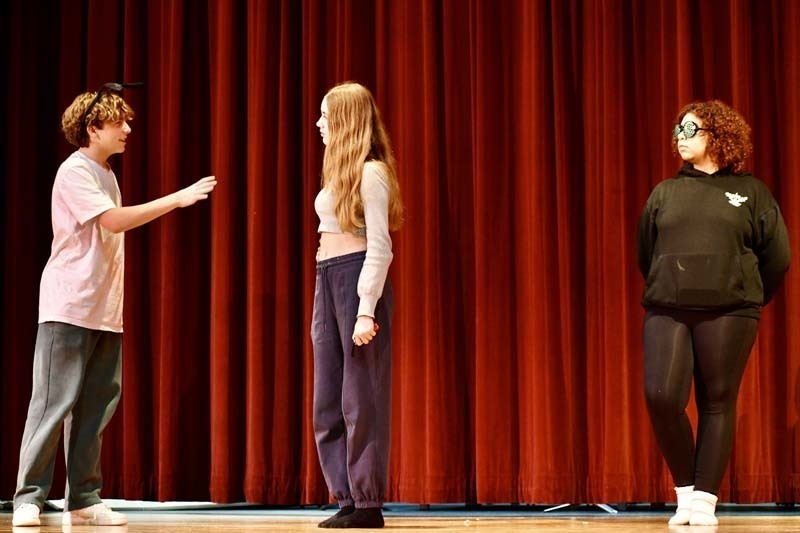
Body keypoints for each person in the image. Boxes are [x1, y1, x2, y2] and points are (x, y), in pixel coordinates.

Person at [11, 85, 217, 527]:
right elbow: (113, 222)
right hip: (68, 305)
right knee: (54, 403)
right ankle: (30, 494)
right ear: (93, 128)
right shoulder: (75, 172)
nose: (127, 130)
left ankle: (84, 497)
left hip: (104, 308)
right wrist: (175, 199)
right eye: (118, 123)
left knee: (95, 406)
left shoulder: (106, 174)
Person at [637, 100, 790, 526]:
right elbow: (646, 253)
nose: (680, 139)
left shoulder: (751, 191)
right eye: (678, 131)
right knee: (662, 396)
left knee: (716, 402)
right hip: (668, 306)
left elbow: (776, 257)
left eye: (692, 130)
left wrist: (746, 295)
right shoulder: (664, 193)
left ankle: (704, 501)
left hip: (731, 311)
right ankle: (687, 490)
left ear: (719, 137)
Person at [311, 82, 403, 529]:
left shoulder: (372, 174)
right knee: (327, 396)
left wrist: (366, 307)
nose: (319, 124)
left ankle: (367, 502)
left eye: (326, 116)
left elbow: (380, 247)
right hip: (326, 278)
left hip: (355, 279)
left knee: (359, 395)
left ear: (346, 121)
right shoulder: (339, 174)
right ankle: (345, 495)